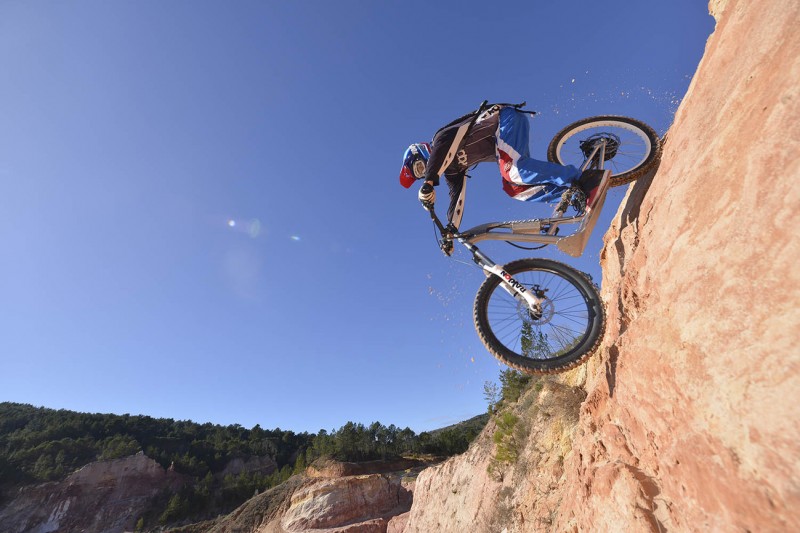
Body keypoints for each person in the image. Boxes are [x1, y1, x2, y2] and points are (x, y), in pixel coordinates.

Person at [399, 103, 605, 233]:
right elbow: (457, 200)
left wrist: (429, 181)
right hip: (505, 142)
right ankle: (574, 194)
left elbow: (443, 152)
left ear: (421, 151)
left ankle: (583, 179)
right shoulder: (452, 171)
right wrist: (451, 231)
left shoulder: (441, 138)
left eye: (420, 167)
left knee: (512, 170)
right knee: (513, 188)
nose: (424, 171)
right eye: (420, 173)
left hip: (505, 119)